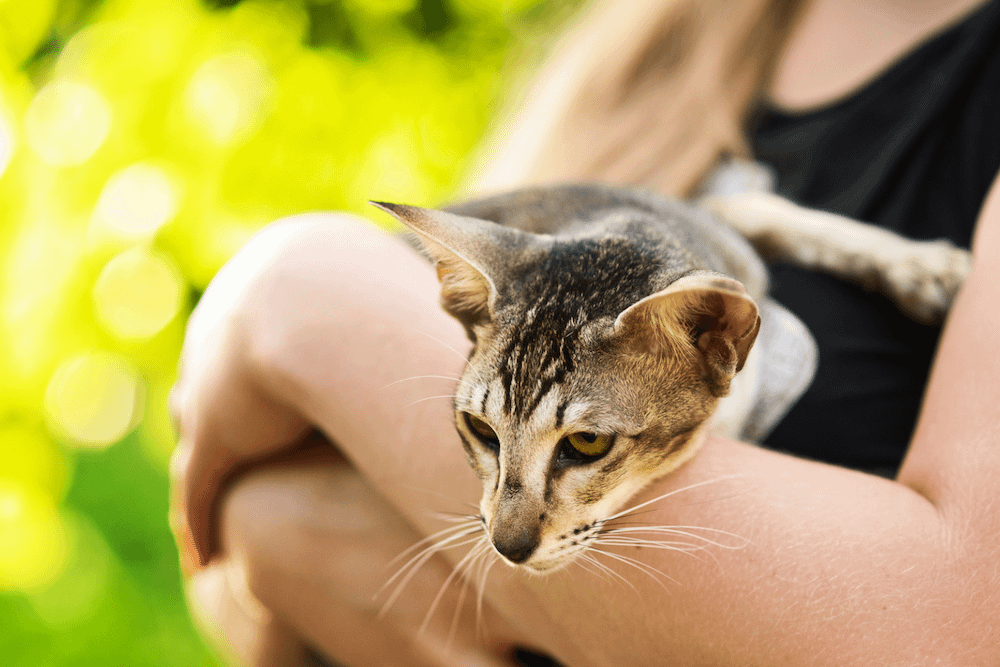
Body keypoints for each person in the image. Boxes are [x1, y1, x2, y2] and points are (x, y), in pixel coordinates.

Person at [170, 0, 1000, 664]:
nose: (504, 531)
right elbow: (231, 585)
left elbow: (955, 638)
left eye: (587, 444)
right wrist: (273, 535)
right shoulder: (640, 42)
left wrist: (297, 292)